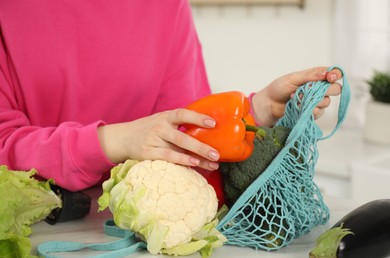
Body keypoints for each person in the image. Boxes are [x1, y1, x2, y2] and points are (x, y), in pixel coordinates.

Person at [0, 1, 342, 192]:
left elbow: (188, 135)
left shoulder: (166, 6)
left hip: (137, 236)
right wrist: (111, 141)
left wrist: (259, 110)